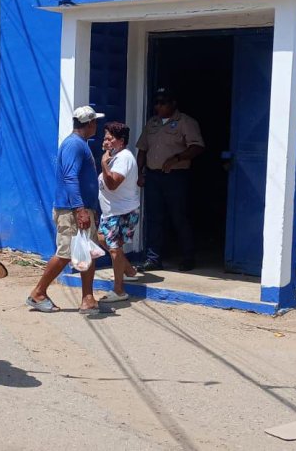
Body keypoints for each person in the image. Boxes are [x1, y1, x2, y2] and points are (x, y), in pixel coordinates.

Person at [26, 106, 104, 316]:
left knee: (87, 252)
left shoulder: (80, 144)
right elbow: (70, 177)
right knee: (66, 254)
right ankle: (38, 293)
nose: (97, 125)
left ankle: (88, 298)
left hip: (80, 209)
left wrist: (89, 209)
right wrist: (80, 209)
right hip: (71, 211)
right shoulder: (74, 145)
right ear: (90, 123)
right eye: (95, 122)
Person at [136, 87, 205, 272]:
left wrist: (177, 158)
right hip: (153, 176)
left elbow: (197, 147)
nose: (158, 106)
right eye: (156, 103)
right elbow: (142, 149)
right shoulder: (152, 123)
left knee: (179, 216)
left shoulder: (186, 122)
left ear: (173, 104)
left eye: (163, 103)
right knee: (154, 217)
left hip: (175, 177)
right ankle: (153, 258)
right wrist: (139, 173)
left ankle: (188, 257)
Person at [96, 121, 141, 302]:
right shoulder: (115, 156)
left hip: (121, 212)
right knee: (101, 238)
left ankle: (119, 290)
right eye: (105, 138)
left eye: (110, 138)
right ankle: (129, 271)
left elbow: (112, 184)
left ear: (121, 141)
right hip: (111, 211)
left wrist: (103, 164)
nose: (106, 141)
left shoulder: (124, 158)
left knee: (114, 249)